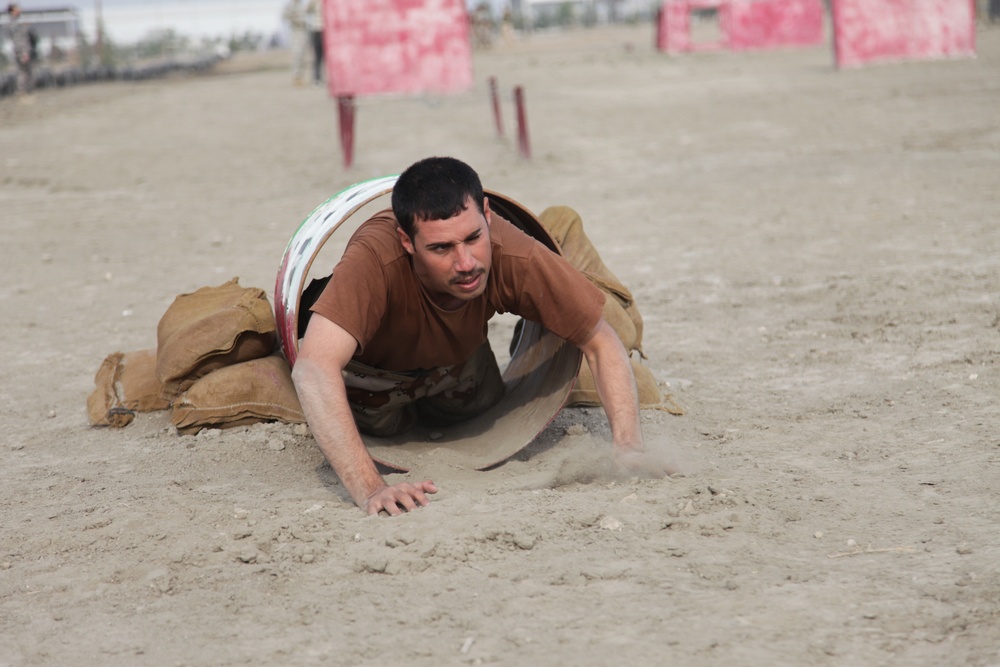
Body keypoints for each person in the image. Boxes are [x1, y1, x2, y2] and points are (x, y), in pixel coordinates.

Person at [292, 157, 673, 516]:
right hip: (373, 379)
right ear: (407, 242)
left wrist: (629, 448)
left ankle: (561, 239)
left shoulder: (511, 252)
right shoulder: (376, 258)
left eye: (473, 237)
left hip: (459, 368)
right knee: (382, 424)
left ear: (487, 215)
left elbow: (601, 341)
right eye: (441, 248)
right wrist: (371, 488)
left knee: (601, 336)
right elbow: (314, 369)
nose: (466, 263)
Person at [5, 3, 34, 99]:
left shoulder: (16, 22)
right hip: (21, 51)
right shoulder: (15, 24)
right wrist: (24, 53)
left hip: (21, 50)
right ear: (12, 11)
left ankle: (25, 91)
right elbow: (19, 40)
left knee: (25, 71)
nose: (19, 10)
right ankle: (23, 92)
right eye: (17, 9)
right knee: (23, 72)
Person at [282, 0, 308, 85]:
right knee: (297, 53)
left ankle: (300, 76)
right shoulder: (290, 5)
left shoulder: (302, 5)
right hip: (295, 31)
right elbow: (284, 17)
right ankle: (296, 76)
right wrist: (295, 19)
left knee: (302, 54)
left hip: (303, 30)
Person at [304, 0, 324, 85]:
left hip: (329, 30)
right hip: (317, 29)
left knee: (330, 56)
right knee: (317, 56)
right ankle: (317, 78)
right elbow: (307, 10)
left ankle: (334, 78)